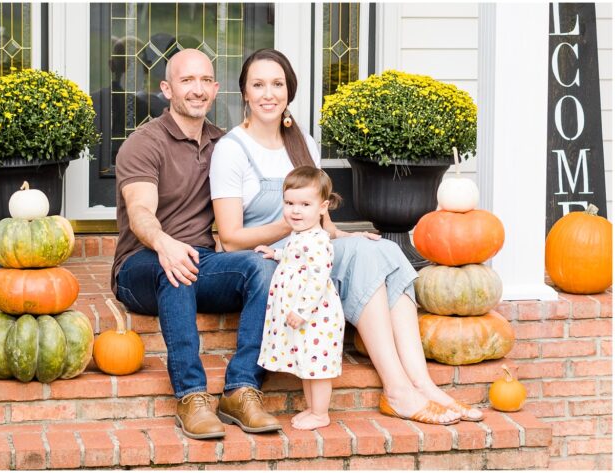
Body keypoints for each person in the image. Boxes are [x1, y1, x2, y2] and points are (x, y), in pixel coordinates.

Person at [209, 47, 480, 425]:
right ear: (245, 93)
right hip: (279, 265)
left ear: (289, 91)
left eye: (277, 84)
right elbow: (232, 236)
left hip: (313, 252)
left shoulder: (302, 143)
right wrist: (292, 227)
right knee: (364, 261)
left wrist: (348, 236)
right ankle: (398, 390)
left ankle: (424, 385)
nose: (268, 93)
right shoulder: (231, 150)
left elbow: (322, 220)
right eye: (258, 84)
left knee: (381, 248)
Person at [111, 48, 281, 440]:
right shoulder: (144, 143)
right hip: (141, 265)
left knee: (262, 268)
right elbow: (140, 211)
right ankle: (190, 395)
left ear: (216, 89)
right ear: (167, 89)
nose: (197, 89)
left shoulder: (225, 145)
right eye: (187, 80)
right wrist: (164, 243)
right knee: (176, 267)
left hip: (200, 260)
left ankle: (241, 389)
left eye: (205, 80)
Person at [255, 166, 346, 431]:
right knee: (307, 363)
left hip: (316, 317)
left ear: (322, 207)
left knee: (317, 367)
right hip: (304, 317)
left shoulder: (319, 240)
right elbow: (296, 257)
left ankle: (321, 413)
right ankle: (312, 408)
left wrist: (302, 310)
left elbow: (318, 278)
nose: (295, 210)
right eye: (289, 203)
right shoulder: (300, 235)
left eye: (305, 204)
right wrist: (276, 254)